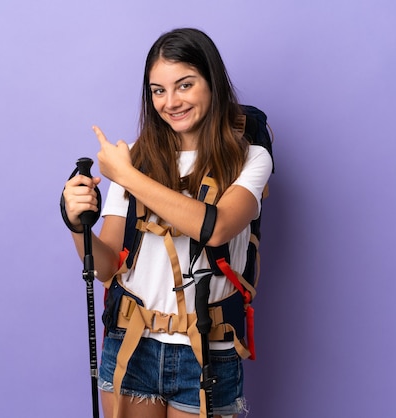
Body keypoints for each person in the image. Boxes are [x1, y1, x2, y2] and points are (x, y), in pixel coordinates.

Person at [62, 28, 273, 418]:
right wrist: (79, 224)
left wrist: (124, 176)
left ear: (212, 82)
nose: (170, 102)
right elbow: (106, 267)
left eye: (184, 85)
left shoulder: (250, 158)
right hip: (131, 342)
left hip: (207, 350)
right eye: (158, 90)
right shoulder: (136, 160)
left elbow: (217, 227)